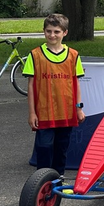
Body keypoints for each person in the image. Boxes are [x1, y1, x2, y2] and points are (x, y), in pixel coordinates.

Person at [23, 13, 85, 175]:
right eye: (49, 31)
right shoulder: (35, 55)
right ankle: (41, 181)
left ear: (64, 33)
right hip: (44, 112)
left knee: (61, 148)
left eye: (56, 31)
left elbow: (76, 83)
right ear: (44, 31)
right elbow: (31, 86)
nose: (52, 35)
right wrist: (31, 113)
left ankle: (58, 178)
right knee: (44, 148)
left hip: (66, 112)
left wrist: (79, 108)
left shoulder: (73, 55)